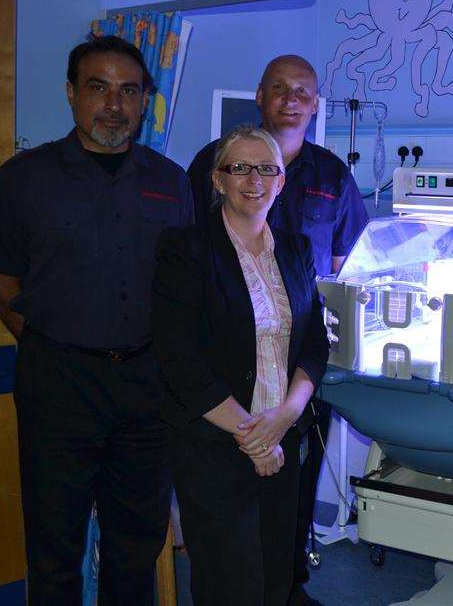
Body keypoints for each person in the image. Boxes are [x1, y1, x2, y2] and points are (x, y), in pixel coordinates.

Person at [0, 34, 193, 605]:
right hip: (58, 387)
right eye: (98, 87)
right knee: (54, 546)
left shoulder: (171, 183)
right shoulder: (25, 178)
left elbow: (184, 287)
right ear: (72, 95)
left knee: (135, 547)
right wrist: (48, 344)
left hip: (146, 392)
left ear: (144, 102)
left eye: (128, 91)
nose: (113, 104)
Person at [189, 55, 366, 603]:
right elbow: (191, 263)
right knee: (226, 508)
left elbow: (346, 265)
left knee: (295, 489)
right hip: (226, 365)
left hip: (301, 367)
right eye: (280, 89)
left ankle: (289, 585)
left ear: (316, 105)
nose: (291, 99)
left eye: (303, 92)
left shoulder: (332, 175)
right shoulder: (210, 164)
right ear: (260, 96)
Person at [152, 125, 329, 606]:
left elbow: (314, 342)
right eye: (240, 168)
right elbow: (179, 359)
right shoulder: (185, 249)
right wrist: (252, 436)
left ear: (281, 181)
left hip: (283, 434)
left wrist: (287, 416)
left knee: (277, 573)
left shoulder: (295, 250)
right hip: (214, 443)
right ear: (218, 180)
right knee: (228, 582)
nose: (254, 179)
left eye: (266, 168)